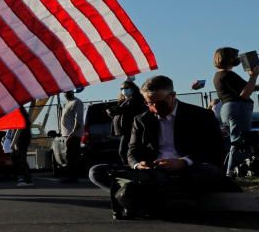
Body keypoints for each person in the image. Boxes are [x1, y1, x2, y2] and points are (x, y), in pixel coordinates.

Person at [89, 75, 225, 219]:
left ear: (172, 96)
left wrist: (183, 162)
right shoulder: (142, 119)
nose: (154, 108)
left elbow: (214, 150)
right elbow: (132, 151)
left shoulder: (200, 116)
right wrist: (137, 165)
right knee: (96, 172)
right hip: (153, 173)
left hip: (188, 169)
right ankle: (162, 197)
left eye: (159, 104)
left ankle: (145, 198)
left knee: (207, 172)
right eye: (149, 103)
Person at [213, 47, 259, 176]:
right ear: (229, 59)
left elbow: (245, 88)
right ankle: (232, 171)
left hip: (229, 109)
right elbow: (244, 94)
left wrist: (255, 84)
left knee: (236, 140)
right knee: (240, 141)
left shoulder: (219, 75)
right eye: (236, 56)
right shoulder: (228, 75)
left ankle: (233, 169)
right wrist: (254, 76)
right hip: (238, 109)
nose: (238, 59)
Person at [105, 80, 146, 163]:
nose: (123, 90)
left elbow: (129, 110)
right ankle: (132, 168)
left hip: (132, 129)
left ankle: (131, 169)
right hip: (125, 130)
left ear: (132, 88)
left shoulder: (137, 99)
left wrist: (116, 110)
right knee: (126, 152)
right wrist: (112, 112)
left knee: (123, 151)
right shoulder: (124, 100)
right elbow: (120, 113)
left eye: (126, 88)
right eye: (121, 88)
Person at [59, 90, 85, 182]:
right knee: (69, 156)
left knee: (72, 156)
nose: (65, 94)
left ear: (72, 92)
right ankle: (70, 176)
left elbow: (79, 120)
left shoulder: (77, 102)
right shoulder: (67, 103)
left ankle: (73, 177)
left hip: (73, 135)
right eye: (64, 92)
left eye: (67, 92)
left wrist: (72, 133)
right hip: (67, 134)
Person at [8, 107, 33, 187]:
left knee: (22, 159)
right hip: (24, 139)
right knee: (21, 158)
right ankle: (26, 178)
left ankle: (27, 180)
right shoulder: (25, 117)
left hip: (21, 140)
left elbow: (18, 129)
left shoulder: (20, 117)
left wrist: (13, 142)